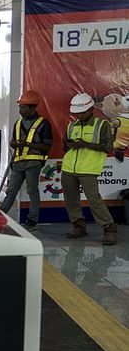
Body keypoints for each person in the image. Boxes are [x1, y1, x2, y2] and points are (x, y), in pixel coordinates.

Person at [62, 93, 116, 244]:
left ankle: (109, 229)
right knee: (71, 200)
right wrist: (69, 145)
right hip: (68, 168)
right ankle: (79, 227)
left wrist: (84, 144)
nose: (79, 115)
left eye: (82, 112)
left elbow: (108, 148)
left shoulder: (102, 124)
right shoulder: (71, 125)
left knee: (94, 201)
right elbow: (65, 145)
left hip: (89, 169)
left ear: (91, 109)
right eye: (76, 113)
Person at [0, 90, 52, 231]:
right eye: (20, 106)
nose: (20, 110)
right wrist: (13, 144)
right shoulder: (18, 123)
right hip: (18, 162)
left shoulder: (43, 124)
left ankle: (32, 220)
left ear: (32, 107)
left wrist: (26, 145)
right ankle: (0, 216)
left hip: (33, 163)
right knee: (11, 191)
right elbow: (14, 141)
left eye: (23, 107)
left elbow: (47, 146)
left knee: (32, 191)